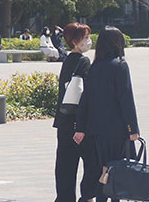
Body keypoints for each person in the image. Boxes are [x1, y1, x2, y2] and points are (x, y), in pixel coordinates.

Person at [74, 26, 140, 202]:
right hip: (117, 131)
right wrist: (133, 129)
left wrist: (81, 127)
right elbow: (126, 100)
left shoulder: (95, 67)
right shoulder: (120, 66)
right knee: (116, 170)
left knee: (104, 169)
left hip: (96, 131)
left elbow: (85, 101)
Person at [53, 23, 93, 202]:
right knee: (92, 162)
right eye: (85, 38)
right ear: (76, 41)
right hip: (79, 124)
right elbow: (85, 96)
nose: (89, 41)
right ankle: (88, 197)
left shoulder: (68, 60)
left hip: (63, 120)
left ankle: (64, 197)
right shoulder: (83, 61)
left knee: (65, 165)